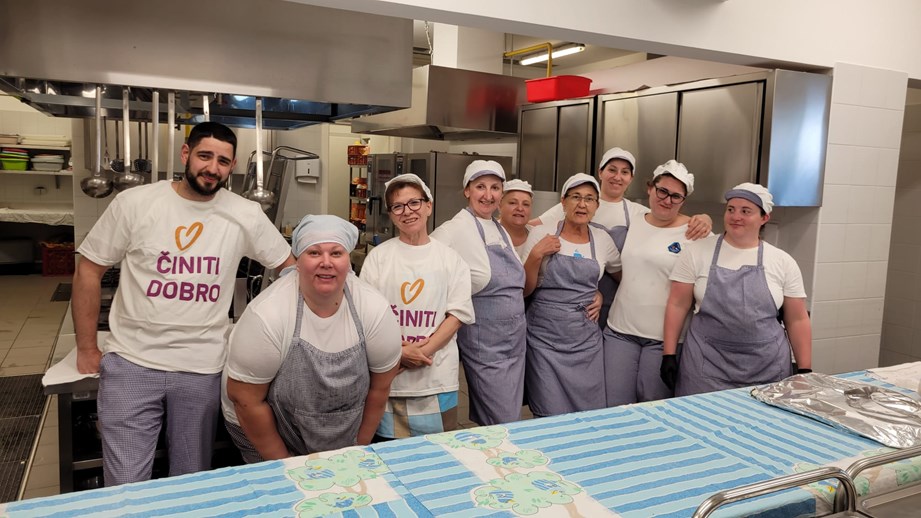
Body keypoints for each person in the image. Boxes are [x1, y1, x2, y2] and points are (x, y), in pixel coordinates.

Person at [72, 121, 296, 485]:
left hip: (202, 367)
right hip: (132, 362)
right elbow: (89, 269)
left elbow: (290, 270)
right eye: (205, 156)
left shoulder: (245, 214)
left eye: (223, 161)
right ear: (185, 154)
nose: (212, 168)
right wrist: (86, 348)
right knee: (125, 484)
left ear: (232, 166)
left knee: (191, 480)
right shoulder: (136, 203)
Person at [222, 215, 401, 463]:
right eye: (314, 253)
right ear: (298, 261)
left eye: (336, 253)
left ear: (348, 261)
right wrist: (287, 465)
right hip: (258, 425)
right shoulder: (267, 315)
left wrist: (356, 451)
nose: (326, 262)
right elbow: (246, 400)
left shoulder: (374, 310)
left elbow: (380, 389)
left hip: (338, 429)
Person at [530, 147, 711, 327]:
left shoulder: (637, 212)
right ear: (600, 172)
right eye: (612, 170)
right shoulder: (576, 203)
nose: (617, 177)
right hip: (580, 300)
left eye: (624, 172)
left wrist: (703, 219)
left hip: (618, 300)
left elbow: (668, 218)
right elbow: (528, 225)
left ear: (631, 178)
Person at [661, 183, 812, 396]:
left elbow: (797, 319)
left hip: (767, 368)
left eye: (745, 211)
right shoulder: (697, 252)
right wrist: (668, 354)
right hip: (705, 365)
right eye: (731, 209)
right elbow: (677, 304)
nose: (735, 217)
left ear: (764, 218)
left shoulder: (782, 261)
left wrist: (804, 370)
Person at [359, 174, 475, 439]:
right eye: (398, 206)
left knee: (439, 451)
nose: (407, 211)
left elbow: (457, 315)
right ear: (391, 215)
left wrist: (421, 353)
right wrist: (398, 353)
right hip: (389, 377)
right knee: (388, 452)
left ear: (428, 206)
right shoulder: (378, 258)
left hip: (436, 378)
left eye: (414, 203)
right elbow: (366, 317)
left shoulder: (451, 259)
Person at [431, 160, 526, 425]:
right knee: (502, 419)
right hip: (487, 344)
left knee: (507, 418)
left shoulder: (499, 227)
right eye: (480, 187)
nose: (488, 195)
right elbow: (425, 263)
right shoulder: (454, 228)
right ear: (467, 190)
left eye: (495, 188)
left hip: (514, 343)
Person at [521, 173, 621, 417]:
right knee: (548, 413)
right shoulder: (541, 234)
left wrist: (599, 294)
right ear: (563, 202)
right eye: (576, 197)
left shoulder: (602, 239)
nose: (582, 204)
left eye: (589, 198)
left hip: (585, 343)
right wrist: (536, 255)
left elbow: (622, 279)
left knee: (589, 414)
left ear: (597, 205)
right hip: (544, 341)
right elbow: (523, 290)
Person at [604, 160, 697, 406]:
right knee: (614, 406)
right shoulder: (633, 220)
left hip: (664, 341)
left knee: (653, 407)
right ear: (650, 188)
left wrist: (705, 219)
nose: (667, 200)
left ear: (683, 201)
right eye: (662, 191)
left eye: (676, 196)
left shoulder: (695, 232)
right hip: (619, 333)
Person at [498, 179, 534, 260]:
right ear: (499, 205)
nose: (520, 208)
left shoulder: (537, 236)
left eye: (526, 204)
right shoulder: (488, 234)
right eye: (513, 203)